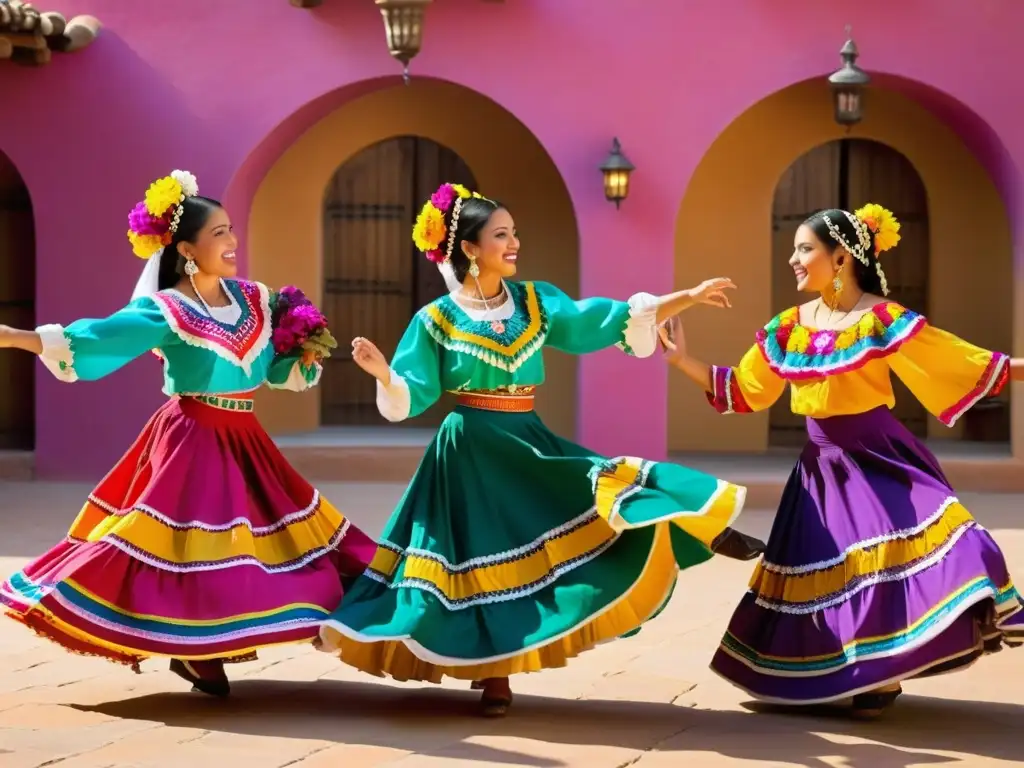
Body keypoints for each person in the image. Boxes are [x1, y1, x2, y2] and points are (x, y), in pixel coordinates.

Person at [316, 182, 765, 717]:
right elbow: (412, 392)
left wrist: (686, 296)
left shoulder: (535, 301)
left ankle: (700, 522)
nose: (514, 244)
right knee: (478, 559)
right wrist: (385, 373)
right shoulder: (436, 318)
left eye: (515, 233)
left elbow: (605, 317)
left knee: (604, 483)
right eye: (501, 235)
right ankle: (496, 676)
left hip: (526, 437)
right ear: (469, 248)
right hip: (467, 451)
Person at [0, 170, 375, 697]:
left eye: (230, 230)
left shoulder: (257, 301)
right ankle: (195, 652)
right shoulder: (167, 309)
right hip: (191, 436)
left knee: (277, 543)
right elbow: (103, 337)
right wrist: (17, 337)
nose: (232, 241)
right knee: (185, 546)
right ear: (187, 248)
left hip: (246, 438)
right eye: (219, 232)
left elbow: (280, 371)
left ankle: (215, 644)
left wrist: (305, 349)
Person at [661, 203, 1024, 718]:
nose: (793, 258)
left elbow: (959, 362)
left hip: (880, 456)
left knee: (922, 553)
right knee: (832, 571)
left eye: (804, 249)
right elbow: (745, 389)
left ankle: (882, 675)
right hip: (821, 470)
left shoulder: (882, 320)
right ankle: (854, 674)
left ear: (840, 259)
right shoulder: (787, 328)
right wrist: (682, 361)